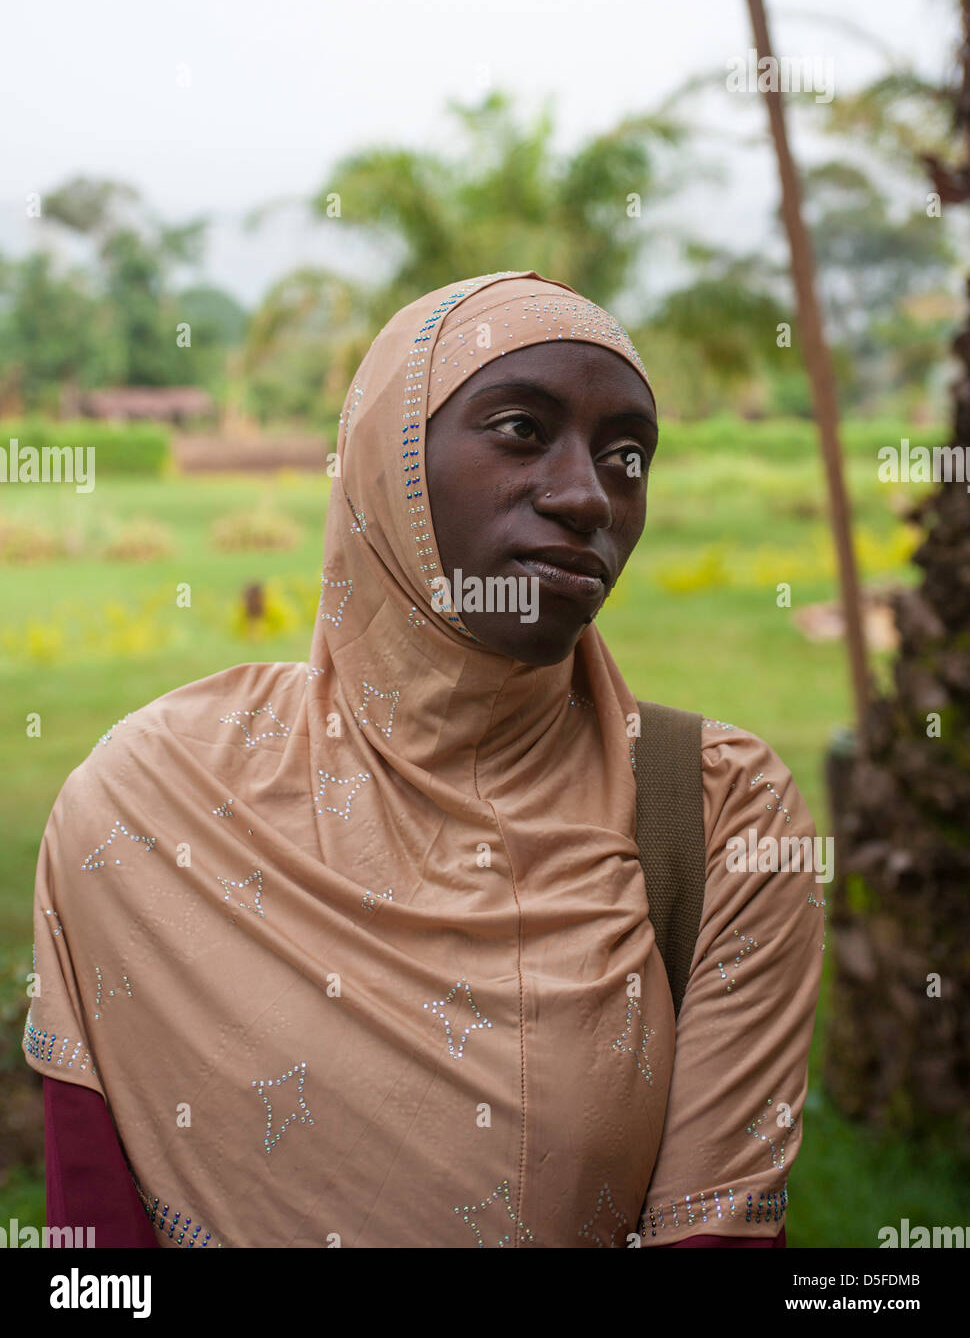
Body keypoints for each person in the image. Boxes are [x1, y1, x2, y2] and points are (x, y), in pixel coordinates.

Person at [24, 271, 824, 1248]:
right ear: (386, 466)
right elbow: (95, 1238)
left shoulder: (717, 814)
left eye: (626, 455)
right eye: (522, 430)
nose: (588, 496)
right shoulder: (147, 804)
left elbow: (719, 1235)